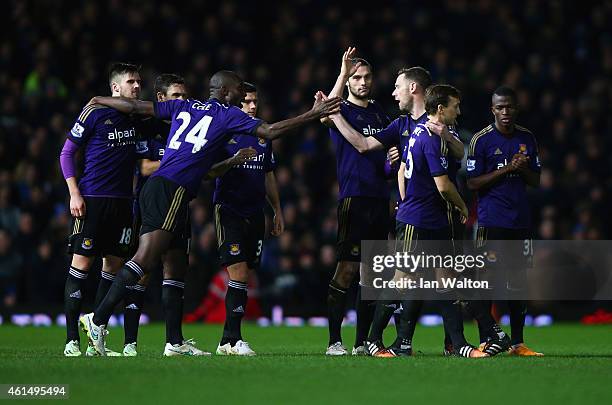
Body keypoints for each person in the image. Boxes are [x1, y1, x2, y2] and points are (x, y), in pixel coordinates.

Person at [79, 70, 341, 356]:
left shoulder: (184, 105)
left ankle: (172, 342)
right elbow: (270, 131)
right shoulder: (227, 115)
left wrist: (98, 99)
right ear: (226, 92)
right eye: (240, 89)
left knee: (171, 262)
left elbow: (135, 106)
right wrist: (313, 114)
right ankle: (98, 318)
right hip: (173, 188)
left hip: (159, 187)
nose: (243, 94)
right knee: (145, 258)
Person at [330, 84, 488, 357]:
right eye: (455, 106)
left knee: (444, 281)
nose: (459, 111)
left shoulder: (422, 131)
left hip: (429, 218)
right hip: (418, 219)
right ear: (441, 109)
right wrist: (463, 207)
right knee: (402, 281)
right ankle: (374, 341)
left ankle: (457, 345)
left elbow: (406, 167)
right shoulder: (427, 137)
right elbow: (443, 185)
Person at [59, 63, 161, 357]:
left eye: (139, 81)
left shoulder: (137, 118)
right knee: (82, 264)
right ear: (115, 88)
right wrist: (74, 193)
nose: (137, 86)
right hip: (92, 199)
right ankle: (71, 342)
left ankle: (95, 341)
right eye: (131, 82)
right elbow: (66, 153)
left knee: (113, 266)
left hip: (122, 203)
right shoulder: (94, 113)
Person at [320, 48, 391, 356]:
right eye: (356, 78)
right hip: (354, 198)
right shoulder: (341, 110)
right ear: (348, 82)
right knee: (347, 269)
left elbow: (389, 155)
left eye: (366, 77)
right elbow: (324, 112)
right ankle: (335, 341)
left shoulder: (380, 114)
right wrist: (341, 73)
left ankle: (362, 343)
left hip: (380, 198)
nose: (362, 82)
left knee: (372, 274)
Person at [466, 86, 543, 356]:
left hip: (520, 220)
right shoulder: (481, 140)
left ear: (516, 108)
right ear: (493, 110)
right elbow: (472, 182)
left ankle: (518, 343)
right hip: (491, 222)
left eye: (509, 106)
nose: (505, 112)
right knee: (486, 280)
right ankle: (487, 339)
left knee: (518, 281)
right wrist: (508, 169)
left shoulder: (527, 138)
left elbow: (536, 180)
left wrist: (523, 169)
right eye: (500, 107)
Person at [210, 82, 284, 356]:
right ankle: (232, 340)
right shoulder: (223, 130)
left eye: (255, 101)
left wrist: (277, 209)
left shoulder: (264, 133)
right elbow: (209, 172)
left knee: (245, 274)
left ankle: (226, 341)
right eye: (247, 102)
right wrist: (232, 161)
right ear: (236, 105)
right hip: (229, 209)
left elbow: (268, 173)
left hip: (256, 213)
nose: (253, 106)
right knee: (238, 272)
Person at [122, 73, 188, 357]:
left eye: (184, 96)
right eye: (176, 96)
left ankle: (174, 343)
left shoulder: (188, 125)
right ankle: (129, 344)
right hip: (150, 205)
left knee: (174, 269)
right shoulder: (148, 126)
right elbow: (144, 168)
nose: (182, 101)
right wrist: (179, 162)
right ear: (161, 99)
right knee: (143, 272)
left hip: (179, 202)